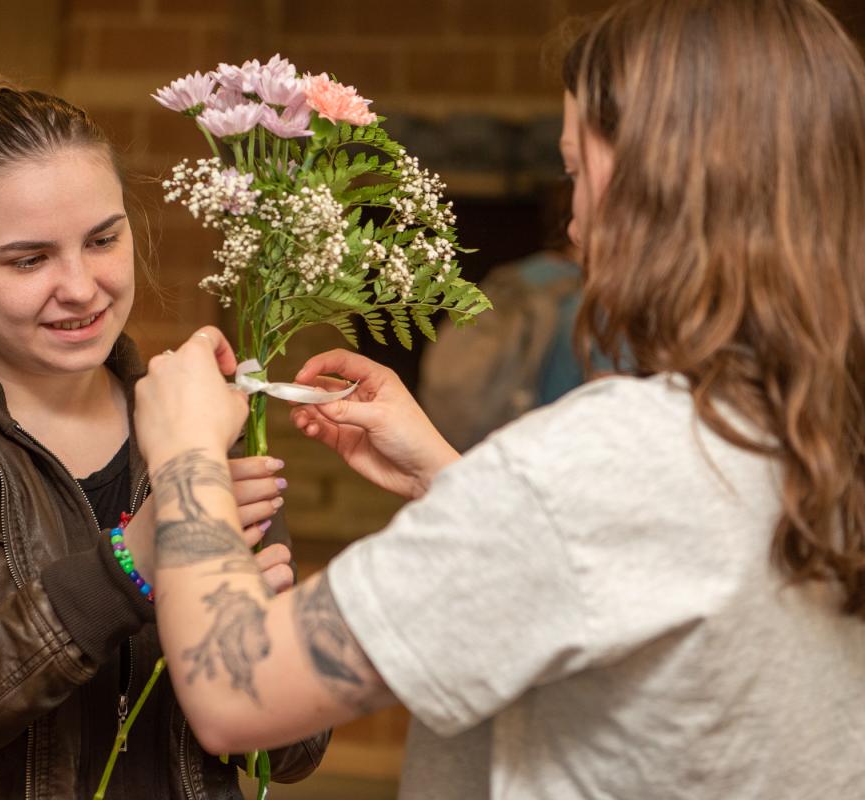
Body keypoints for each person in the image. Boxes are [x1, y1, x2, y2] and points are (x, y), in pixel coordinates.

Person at [124, 1, 865, 797]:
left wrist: (187, 455)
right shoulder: (817, 427)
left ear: (667, 184)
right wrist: (457, 481)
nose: (572, 223)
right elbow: (623, 561)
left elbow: (238, 694)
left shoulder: (603, 460)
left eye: (577, 172)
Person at [0, 83, 328, 798]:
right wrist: (126, 572)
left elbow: (293, 755)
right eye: (28, 260)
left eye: (103, 240)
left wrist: (254, 644)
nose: (81, 287)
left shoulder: (197, 418)